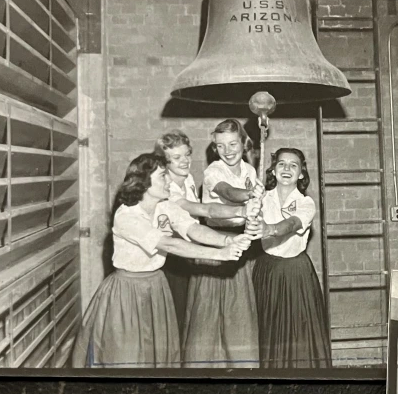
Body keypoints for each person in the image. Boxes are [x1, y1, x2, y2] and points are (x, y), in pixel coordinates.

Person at [69, 153, 250, 369]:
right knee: (127, 357)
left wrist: (229, 240)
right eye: (163, 176)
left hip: (156, 287)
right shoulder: (127, 216)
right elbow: (169, 245)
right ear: (143, 182)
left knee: (159, 356)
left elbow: (193, 229)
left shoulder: (165, 206)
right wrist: (220, 254)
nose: (169, 181)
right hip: (127, 292)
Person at [181, 119, 262, 369]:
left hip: (241, 246)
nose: (227, 151)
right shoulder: (213, 171)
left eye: (232, 144)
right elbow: (228, 192)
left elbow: (251, 211)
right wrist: (248, 196)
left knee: (239, 316)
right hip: (214, 248)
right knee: (207, 317)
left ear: (244, 143)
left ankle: (241, 370)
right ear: (214, 148)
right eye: (220, 146)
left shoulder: (250, 171)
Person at [152, 130, 247, 336]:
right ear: (164, 161)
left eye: (187, 154)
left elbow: (194, 225)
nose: (185, 161)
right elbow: (205, 210)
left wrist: (227, 239)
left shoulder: (186, 179)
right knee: (173, 318)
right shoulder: (167, 191)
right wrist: (242, 210)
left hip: (189, 253)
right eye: (177, 158)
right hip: (170, 258)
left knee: (189, 315)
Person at [249, 147, 332, 369]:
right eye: (281, 164)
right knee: (268, 328)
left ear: (301, 174)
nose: (287, 169)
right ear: (273, 171)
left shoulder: (306, 203)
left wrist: (270, 229)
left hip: (296, 273)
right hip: (267, 270)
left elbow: (292, 224)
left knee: (299, 331)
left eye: (293, 165)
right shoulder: (262, 199)